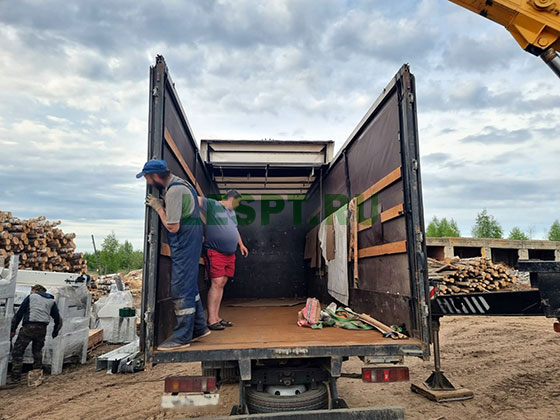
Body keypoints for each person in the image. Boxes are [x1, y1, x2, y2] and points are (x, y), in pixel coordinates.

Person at [137, 159, 210, 351]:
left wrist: (158, 208)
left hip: (185, 243)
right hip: (191, 241)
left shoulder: (175, 191)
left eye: (146, 177)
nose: (147, 181)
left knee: (180, 288)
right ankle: (199, 328)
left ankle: (182, 337)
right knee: (190, 285)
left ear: (155, 176)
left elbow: (173, 227)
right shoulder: (183, 184)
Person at [199, 190, 249, 330]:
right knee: (217, 282)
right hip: (215, 251)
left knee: (222, 283)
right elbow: (194, 199)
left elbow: (235, 229)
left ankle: (216, 317)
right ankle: (211, 320)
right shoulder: (213, 204)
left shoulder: (232, 213)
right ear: (232, 198)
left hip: (229, 254)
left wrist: (241, 244)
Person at [10, 284, 62, 385]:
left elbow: (19, 314)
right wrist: (55, 332)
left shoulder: (31, 297)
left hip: (28, 328)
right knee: (37, 352)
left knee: (18, 352)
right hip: (42, 329)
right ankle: (36, 379)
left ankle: (16, 378)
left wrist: (13, 329)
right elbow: (58, 319)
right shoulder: (51, 301)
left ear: (35, 290)